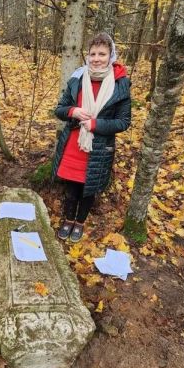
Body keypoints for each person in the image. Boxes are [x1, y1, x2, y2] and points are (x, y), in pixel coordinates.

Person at [52, 32, 131, 242]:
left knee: (89, 191)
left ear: (110, 56)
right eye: (93, 53)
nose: (96, 58)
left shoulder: (120, 84)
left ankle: (79, 223)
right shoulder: (77, 79)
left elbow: (123, 122)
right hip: (73, 146)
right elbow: (59, 109)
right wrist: (72, 112)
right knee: (71, 189)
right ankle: (68, 219)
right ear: (87, 55)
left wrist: (95, 124)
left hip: (98, 148)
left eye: (102, 54)